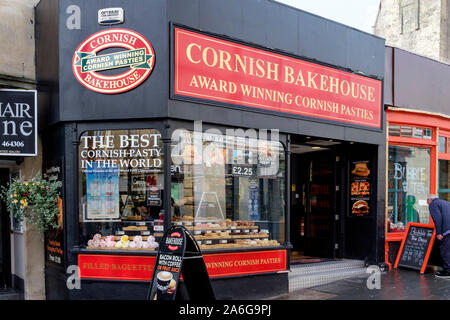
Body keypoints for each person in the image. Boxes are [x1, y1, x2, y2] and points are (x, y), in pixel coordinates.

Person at [427, 194, 450, 278]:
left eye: (427, 201)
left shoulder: (433, 204)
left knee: (445, 251)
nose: (427, 203)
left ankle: (448, 271)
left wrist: (439, 233)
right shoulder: (446, 203)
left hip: (446, 231)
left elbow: (437, 219)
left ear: (430, 200)